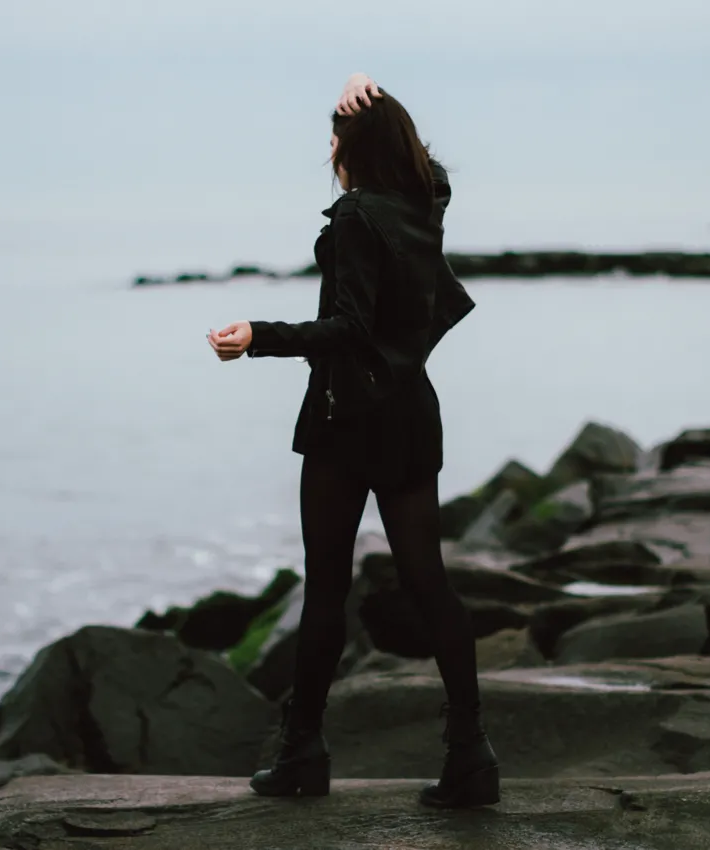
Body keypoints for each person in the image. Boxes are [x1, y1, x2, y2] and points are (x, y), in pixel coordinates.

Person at [206, 73, 498, 809]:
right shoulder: (422, 205)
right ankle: (471, 757)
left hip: (347, 422)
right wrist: (373, 97)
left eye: (334, 139)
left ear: (353, 149)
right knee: (429, 583)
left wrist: (258, 336)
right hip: (410, 416)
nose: (329, 152)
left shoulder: (358, 217)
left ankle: (302, 754)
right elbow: (433, 174)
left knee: (327, 591)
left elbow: (351, 329)